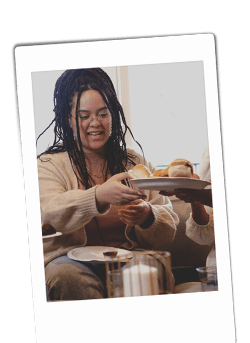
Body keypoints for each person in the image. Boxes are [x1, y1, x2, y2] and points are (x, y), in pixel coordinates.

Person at [37, 68, 179, 301]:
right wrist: (99, 195)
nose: (95, 123)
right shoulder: (49, 165)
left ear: (113, 114)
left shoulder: (136, 161)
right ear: (68, 119)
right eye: (84, 116)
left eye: (103, 113)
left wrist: (147, 216)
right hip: (69, 261)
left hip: (131, 256)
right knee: (67, 276)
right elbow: (51, 212)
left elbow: (168, 229)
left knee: (152, 270)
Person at [160, 146, 216, 268]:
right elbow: (207, 235)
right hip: (215, 265)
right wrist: (195, 200)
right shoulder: (211, 151)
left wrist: (198, 194)